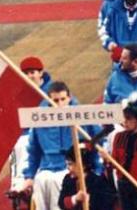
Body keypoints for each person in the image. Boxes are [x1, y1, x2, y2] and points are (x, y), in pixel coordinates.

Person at [22, 82, 100, 210]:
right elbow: (34, 151)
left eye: (63, 99)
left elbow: (97, 144)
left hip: (72, 168)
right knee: (42, 181)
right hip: (47, 169)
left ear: (69, 98)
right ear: (48, 101)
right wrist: (29, 176)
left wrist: (97, 170)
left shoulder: (82, 115)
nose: (59, 104)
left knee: (58, 183)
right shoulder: (39, 120)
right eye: (55, 100)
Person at [11, 57, 54, 191]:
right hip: (26, 134)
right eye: (26, 73)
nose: (29, 76)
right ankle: (18, 184)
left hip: (48, 133)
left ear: (40, 73)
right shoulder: (19, 93)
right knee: (20, 144)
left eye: (32, 72)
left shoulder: (52, 91)